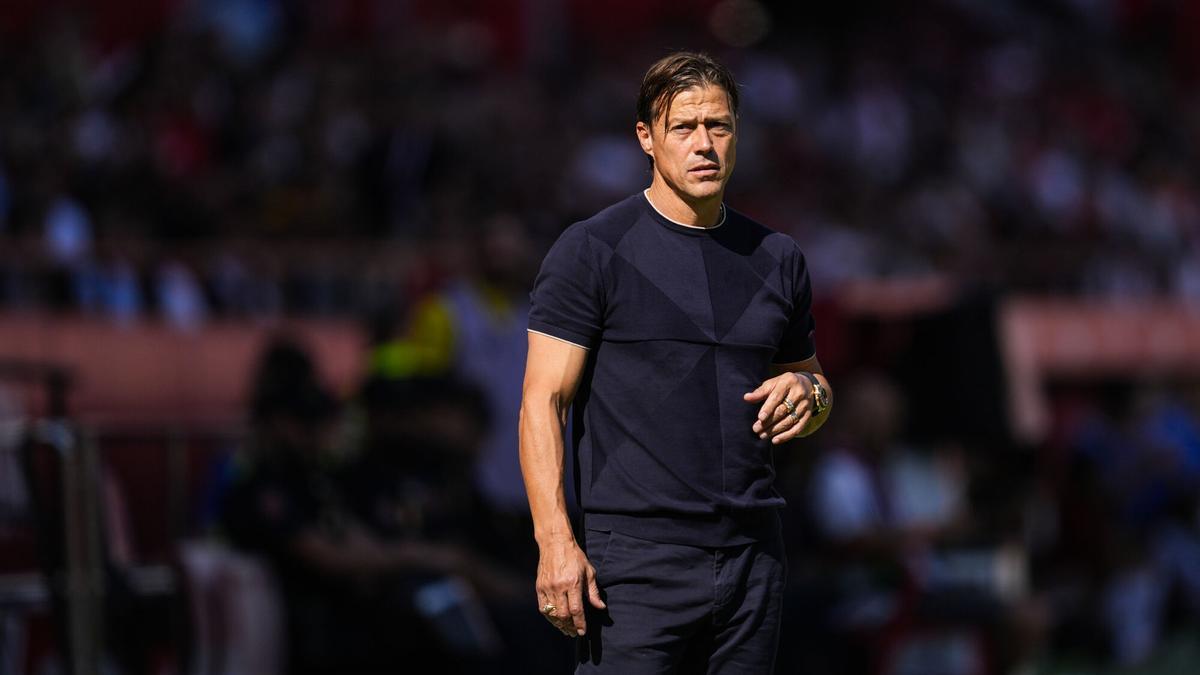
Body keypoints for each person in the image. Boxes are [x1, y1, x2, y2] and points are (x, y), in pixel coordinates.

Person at [519, 51, 834, 674]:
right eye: (683, 128)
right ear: (646, 137)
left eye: (718, 127)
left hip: (754, 557)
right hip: (634, 564)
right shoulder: (591, 249)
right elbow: (541, 403)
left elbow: (815, 381)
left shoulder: (778, 257)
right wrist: (554, 542)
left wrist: (810, 391)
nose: (704, 145)